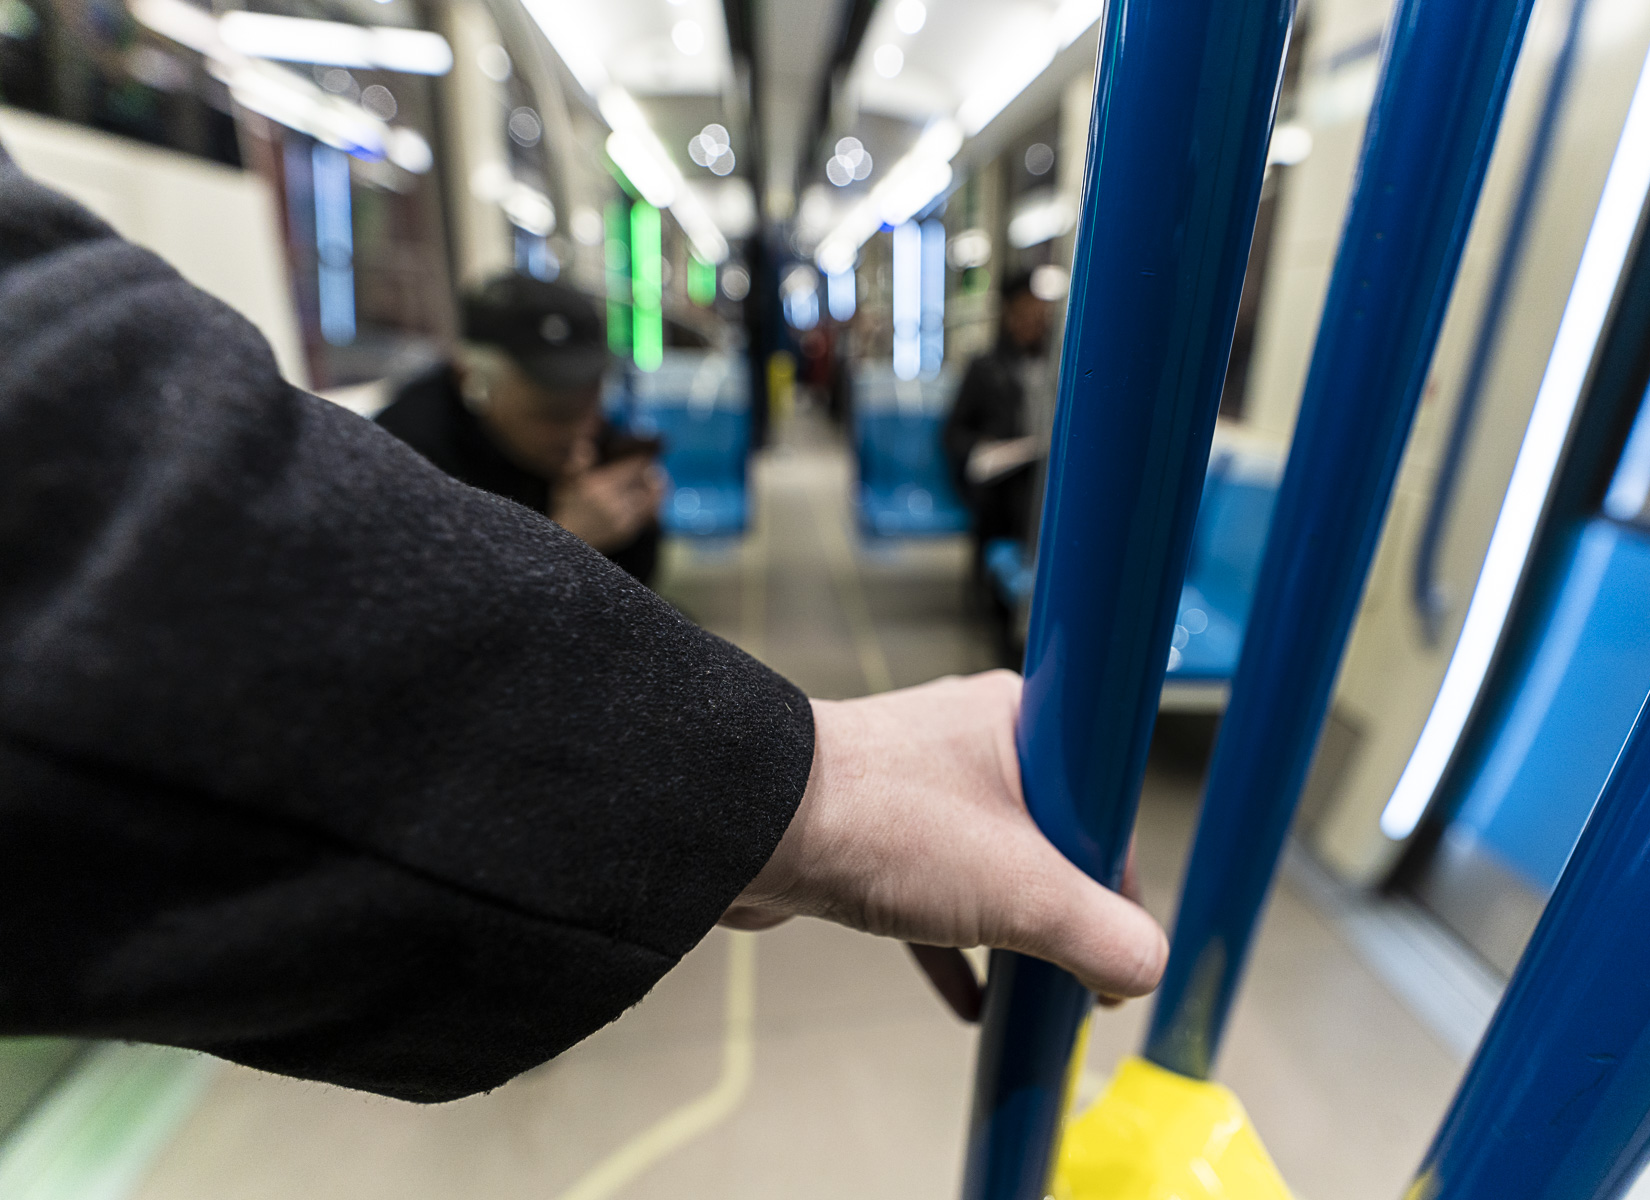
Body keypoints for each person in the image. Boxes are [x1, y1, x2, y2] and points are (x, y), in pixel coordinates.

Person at [0, 143, 1165, 1104]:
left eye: (587, 405)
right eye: (549, 409)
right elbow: (271, 625)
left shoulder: (596, 443)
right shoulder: (394, 447)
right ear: (474, 380)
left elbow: (632, 598)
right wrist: (802, 784)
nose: (575, 430)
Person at [376, 273, 664, 584]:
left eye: (591, 406)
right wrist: (565, 544)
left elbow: (637, 594)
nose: (582, 431)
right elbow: (427, 614)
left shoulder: (590, 433)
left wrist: (636, 522)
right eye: (554, 415)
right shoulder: (403, 457)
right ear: (470, 380)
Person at [942, 270, 1057, 571]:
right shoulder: (985, 369)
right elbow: (953, 434)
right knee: (1020, 496)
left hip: (1044, 466)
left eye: (1039, 314)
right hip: (1002, 478)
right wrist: (983, 446)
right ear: (1009, 314)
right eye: (1026, 313)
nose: (1034, 321)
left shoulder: (1058, 366)